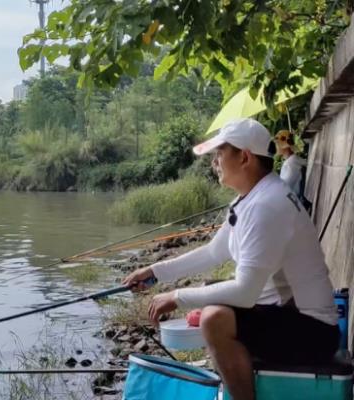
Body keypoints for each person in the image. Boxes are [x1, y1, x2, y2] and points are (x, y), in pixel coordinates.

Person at [123, 118, 339, 400]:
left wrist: (177, 296)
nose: (215, 162)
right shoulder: (252, 198)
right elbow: (214, 252)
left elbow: (246, 292)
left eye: (220, 154)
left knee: (214, 318)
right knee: (215, 299)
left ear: (245, 157)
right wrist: (154, 271)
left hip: (313, 332)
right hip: (288, 314)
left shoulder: (266, 205)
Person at [274, 129, 306, 193]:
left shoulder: (291, 162)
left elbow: (285, 186)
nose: (276, 146)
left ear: (285, 147)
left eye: (277, 144)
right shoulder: (291, 160)